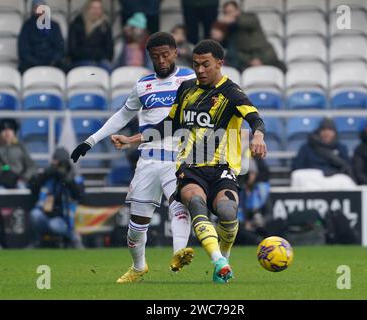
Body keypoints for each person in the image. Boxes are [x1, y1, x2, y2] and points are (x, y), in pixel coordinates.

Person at [113, 39, 267, 283]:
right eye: (196, 65)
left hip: (222, 169)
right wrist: (132, 139)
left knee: (227, 213)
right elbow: (169, 125)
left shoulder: (232, 93)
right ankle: (219, 262)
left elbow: (256, 118)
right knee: (195, 201)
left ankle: (223, 259)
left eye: (206, 65)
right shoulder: (186, 89)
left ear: (219, 63)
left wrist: (258, 135)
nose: (200, 70)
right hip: (190, 167)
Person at [70, 32, 197, 283]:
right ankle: (139, 266)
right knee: (137, 226)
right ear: (150, 56)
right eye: (155, 56)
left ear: (175, 53)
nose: (161, 60)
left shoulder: (189, 79)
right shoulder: (143, 85)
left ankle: (179, 252)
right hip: (148, 160)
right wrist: (91, 140)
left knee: (179, 205)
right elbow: (121, 116)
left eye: (165, 55)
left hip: (178, 156)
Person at [29, 148, 84, 248]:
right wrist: (45, 174)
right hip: (46, 214)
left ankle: (73, 237)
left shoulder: (73, 177)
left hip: (65, 219)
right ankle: (38, 240)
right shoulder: (48, 176)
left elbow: (79, 195)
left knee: (54, 224)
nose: (59, 167)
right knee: (35, 214)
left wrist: (68, 181)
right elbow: (33, 189)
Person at [219, 1, 286, 72]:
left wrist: (235, 20)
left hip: (265, 55)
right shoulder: (229, 31)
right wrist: (250, 61)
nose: (230, 15)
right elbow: (235, 52)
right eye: (227, 13)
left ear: (238, 11)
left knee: (281, 68)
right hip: (248, 61)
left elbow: (249, 22)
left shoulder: (249, 17)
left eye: (231, 11)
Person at [291, 118, 356, 190]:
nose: (327, 133)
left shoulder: (341, 148)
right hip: (312, 181)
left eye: (330, 130)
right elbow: (297, 167)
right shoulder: (307, 148)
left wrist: (331, 173)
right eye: (324, 130)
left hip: (334, 180)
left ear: (334, 132)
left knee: (346, 181)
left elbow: (346, 167)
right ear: (319, 132)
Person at [0, 118, 37, 189]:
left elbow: (31, 166)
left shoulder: (20, 148)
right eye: (4, 130)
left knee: (22, 189)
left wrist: (24, 178)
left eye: (10, 130)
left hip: (18, 181)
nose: (7, 133)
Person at [18, 0, 65, 73]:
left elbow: (60, 48)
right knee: (22, 68)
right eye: (37, 8)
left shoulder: (55, 26)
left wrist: (53, 61)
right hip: (31, 64)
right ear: (33, 10)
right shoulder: (27, 27)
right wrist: (34, 63)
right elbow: (23, 50)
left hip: (52, 62)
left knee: (65, 68)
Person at [68, 0, 114, 72]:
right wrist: (88, 54)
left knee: (107, 67)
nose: (96, 11)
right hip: (80, 60)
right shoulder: (76, 24)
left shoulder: (105, 26)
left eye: (99, 8)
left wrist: (97, 56)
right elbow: (72, 50)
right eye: (93, 8)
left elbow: (109, 50)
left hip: (100, 60)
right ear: (87, 9)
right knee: (92, 66)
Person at [236, 159, 272, 245]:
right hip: (240, 227)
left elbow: (269, 214)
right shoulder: (236, 190)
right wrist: (245, 224)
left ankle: (264, 240)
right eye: (248, 173)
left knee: (279, 222)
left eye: (253, 173)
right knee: (237, 229)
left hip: (256, 225)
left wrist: (257, 222)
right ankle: (259, 241)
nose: (250, 176)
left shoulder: (260, 190)